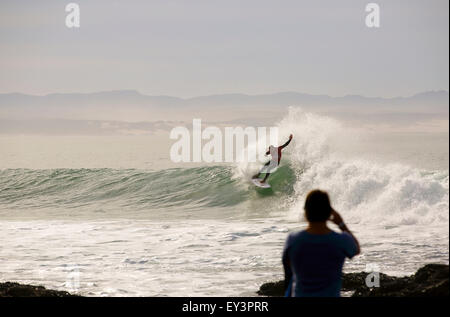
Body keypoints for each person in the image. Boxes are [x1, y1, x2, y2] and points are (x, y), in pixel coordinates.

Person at [282, 189, 360, 297]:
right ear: (329, 213)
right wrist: (341, 224)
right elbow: (356, 249)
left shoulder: (293, 240)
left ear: (306, 211)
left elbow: (288, 274)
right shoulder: (340, 241)